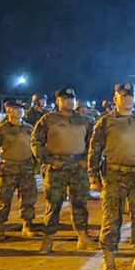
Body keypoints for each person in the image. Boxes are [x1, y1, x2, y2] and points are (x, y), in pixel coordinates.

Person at [88, 83, 135, 270]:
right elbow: (94, 150)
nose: (127, 100)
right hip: (114, 176)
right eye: (123, 97)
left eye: (130, 97)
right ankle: (109, 261)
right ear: (115, 99)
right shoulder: (105, 122)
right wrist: (94, 176)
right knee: (111, 219)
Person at [31, 87, 95, 253]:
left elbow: (94, 144)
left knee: (80, 203)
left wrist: (86, 160)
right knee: (53, 204)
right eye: (65, 99)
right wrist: (49, 160)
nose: (70, 102)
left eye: (72, 99)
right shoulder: (48, 119)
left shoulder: (85, 120)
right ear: (58, 101)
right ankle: (49, 238)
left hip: (78, 167)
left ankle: (82, 236)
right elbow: (35, 142)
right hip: (56, 168)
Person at [0, 100, 38, 240]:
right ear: (8, 110)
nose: (20, 111)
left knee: (28, 199)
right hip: (8, 168)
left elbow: (35, 147)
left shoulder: (29, 128)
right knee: (3, 200)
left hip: (26, 168)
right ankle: (0, 229)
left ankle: (27, 226)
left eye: (21, 108)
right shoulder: (1, 130)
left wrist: (36, 165)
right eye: (16, 108)